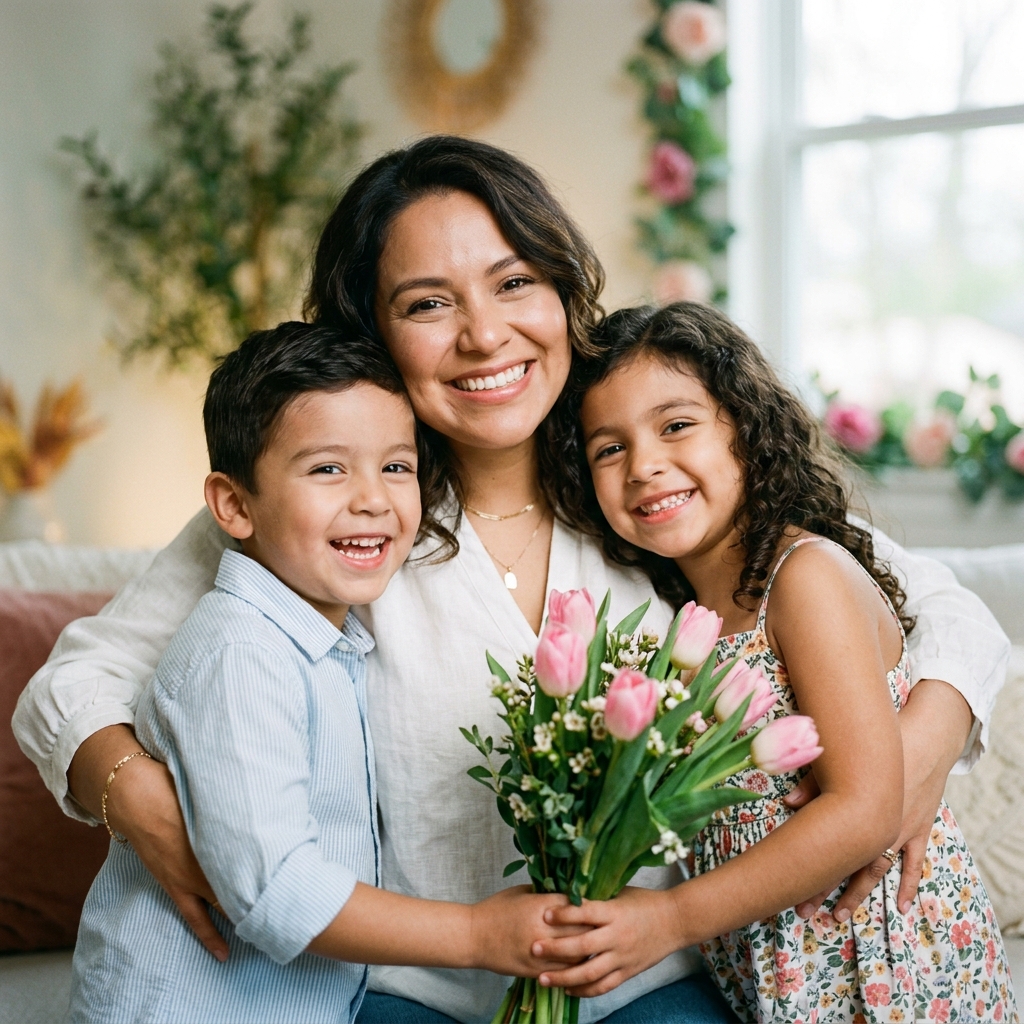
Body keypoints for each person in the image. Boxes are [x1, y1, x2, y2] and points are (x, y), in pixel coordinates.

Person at [13, 137, 1009, 1023]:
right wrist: (147, 804)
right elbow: (74, 683)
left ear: (562, 295)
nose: (484, 335)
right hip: (421, 991)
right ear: (373, 332)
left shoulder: (638, 476)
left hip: (651, 979)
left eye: (514, 282)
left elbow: (933, 606)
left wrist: (902, 769)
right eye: (427, 303)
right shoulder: (337, 510)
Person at [69, 321, 574, 1023]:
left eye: (396, 467)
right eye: (328, 469)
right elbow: (279, 891)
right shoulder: (240, 656)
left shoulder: (328, 639)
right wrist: (476, 935)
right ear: (234, 505)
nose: (372, 499)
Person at [531, 302, 1019, 1023]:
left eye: (676, 425)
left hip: (884, 967)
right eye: (609, 449)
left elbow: (864, 810)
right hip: (776, 974)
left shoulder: (804, 577)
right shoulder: (678, 609)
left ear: (745, 427)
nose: (644, 465)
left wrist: (668, 919)